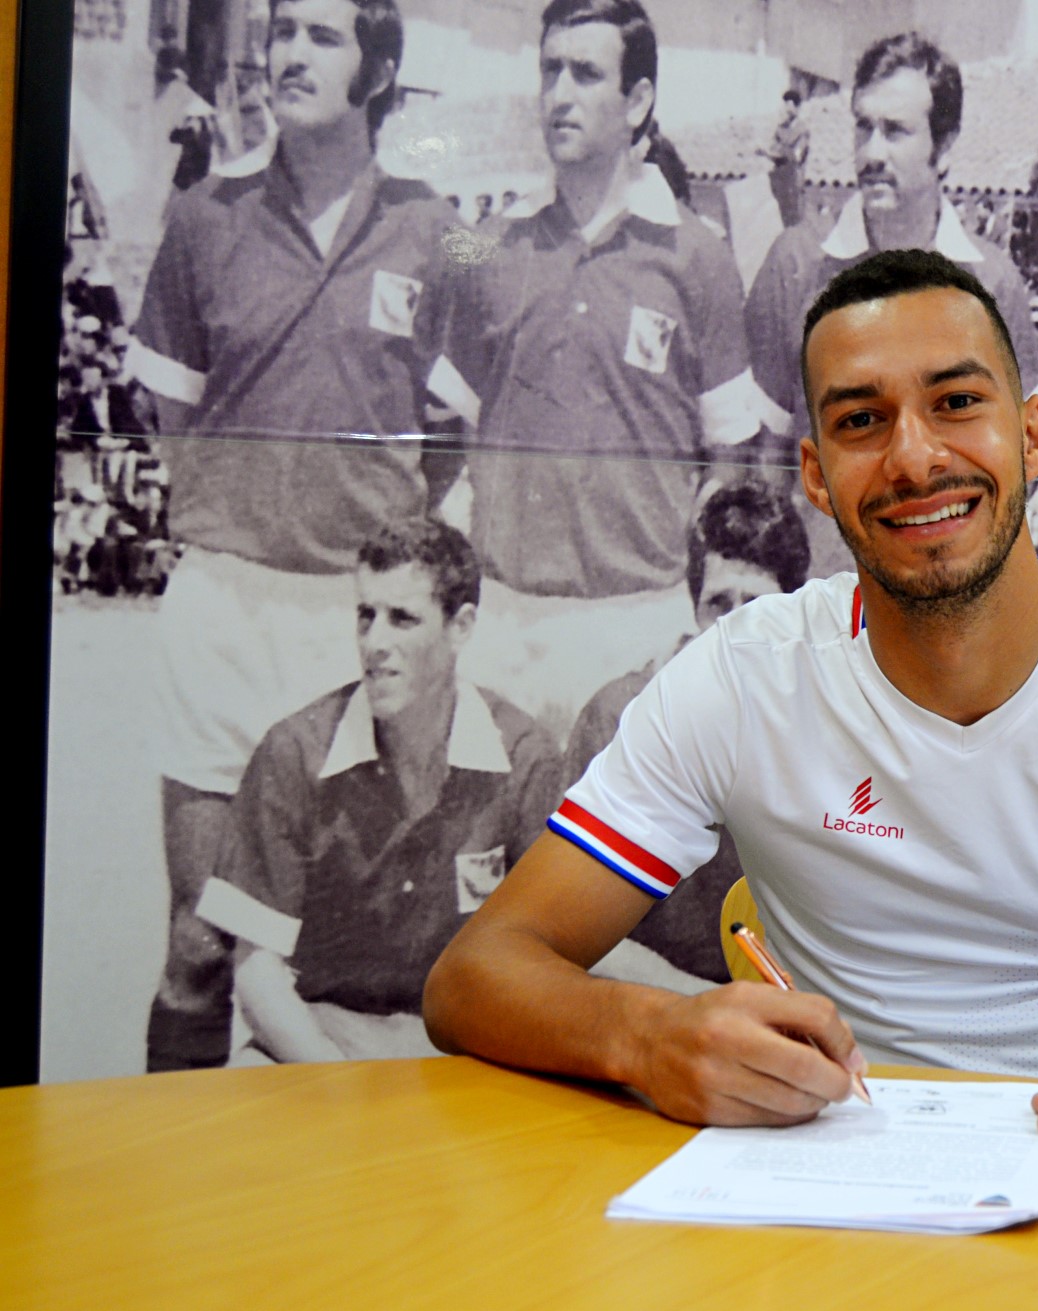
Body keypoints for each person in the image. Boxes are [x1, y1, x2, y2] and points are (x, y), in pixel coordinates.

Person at [425, 248, 1038, 1149]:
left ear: (1034, 435)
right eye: (862, 421)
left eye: (957, 403)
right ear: (814, 475)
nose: (913, 458)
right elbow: (474, 976)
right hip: (828, 1182)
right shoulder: (742, 676)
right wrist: (647, 1034)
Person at [127, 0, 464, 1072]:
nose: (288, 56)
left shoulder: (436, 228)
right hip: (224, 610)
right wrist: (253, 504)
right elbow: (170, 415)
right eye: (281, 33)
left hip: (352, 624)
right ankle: (181, 1168)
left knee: (322, 963)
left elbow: (454, 427)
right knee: (199, 946)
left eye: (321, 36)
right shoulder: (204, 217)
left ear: (379, 70)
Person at [431, 0, 775, 740]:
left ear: (638, 100)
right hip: (504, 622)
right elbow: (450, 440)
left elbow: (730, 455)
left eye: (585, 74)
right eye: (549, 70)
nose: (560, 94)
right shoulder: (491, 248)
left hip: (636, 621)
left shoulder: (699, 257)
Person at [191, 519, 563, 1063]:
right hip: (319, 1042)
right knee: (239, 1097)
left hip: (467, 1046)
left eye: (402, 619)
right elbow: (256, 970)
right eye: (365, 616)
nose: (374, 643)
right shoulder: (294, 752)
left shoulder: (525, 756)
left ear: (461, 627)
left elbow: (552, 951)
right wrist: (335, 1083)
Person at [564, 483, 812, 986]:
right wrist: (703, 1006)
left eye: (757, 605)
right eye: (719, 603)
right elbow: (574, 931)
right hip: (657, 1002)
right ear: (695, 609)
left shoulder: (832, 720)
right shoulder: (617, 716)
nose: (735, 627)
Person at [745, 33, 1038, 442]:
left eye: (895, 131)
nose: (872, 153)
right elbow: (763, 448)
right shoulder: (795, 264)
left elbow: (1021, 453)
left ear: (945, 146)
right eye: (864, 127)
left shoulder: (993, 284)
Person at [759, 88, 810, 228]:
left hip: (794, 181)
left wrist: (776, 152)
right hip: (779, 180)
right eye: (785, 105)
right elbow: (773, 150)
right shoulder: (780, 129)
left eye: (790, 106)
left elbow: (796, 156)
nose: (786, 110)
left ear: (797, 108)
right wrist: (767, 153)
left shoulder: (803, 130)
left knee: (796, 220)